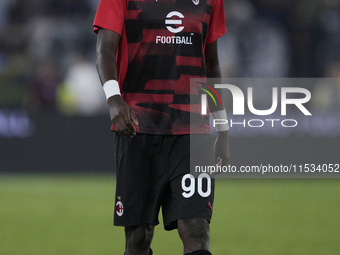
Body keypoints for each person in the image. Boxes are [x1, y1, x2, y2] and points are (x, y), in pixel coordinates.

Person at [93, 0, 230, 254]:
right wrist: (114, 100)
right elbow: (104, 50)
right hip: (136, 127)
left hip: (192, 131)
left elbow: (211, 65)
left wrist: (222, 127)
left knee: (197, 230)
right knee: (138, 238)